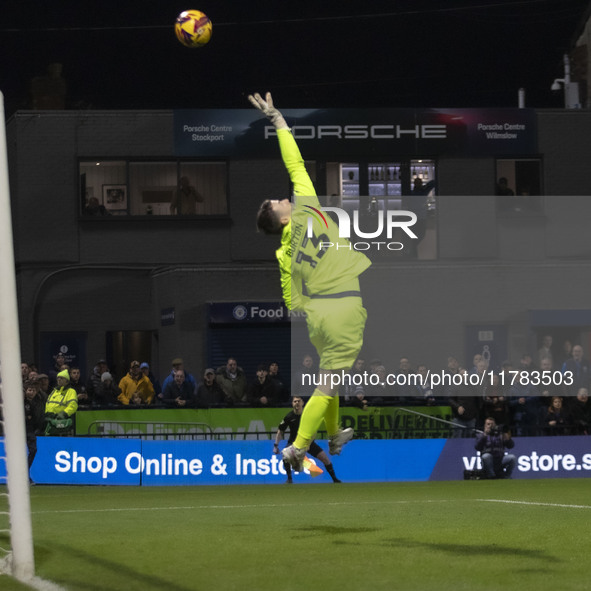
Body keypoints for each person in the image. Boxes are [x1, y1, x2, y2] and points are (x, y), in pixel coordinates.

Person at [248, 91, 371, 472]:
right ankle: (298, 448)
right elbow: (295, 162)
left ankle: (334, 434)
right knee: (327, 385)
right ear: (283, 218)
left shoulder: (283, 253)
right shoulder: (305, 207)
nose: (282, 199)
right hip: (344, 306)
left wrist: (314, 309)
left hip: (319, 318)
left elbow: (290, 299)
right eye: (277, 203)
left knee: (330, 376)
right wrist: (278, 121)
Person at [273, 396, 341, 484]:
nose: (297, 403)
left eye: (298, 401)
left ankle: (335, 479)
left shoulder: (308, 415)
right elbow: (280, 431)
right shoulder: (289, 417)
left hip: (309, 442)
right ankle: (289, 479)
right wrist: (276, 445)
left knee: (325, 459)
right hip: (294, 443)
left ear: (302, 403)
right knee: (285, 456)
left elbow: (314, 431)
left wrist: (308, 444)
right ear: (292, 404)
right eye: (295, 401)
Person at [402, 176, 435, 258]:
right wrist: (425, 186)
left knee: (416, 235)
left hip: (415, 218)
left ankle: (412, 251)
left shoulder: (413, 193)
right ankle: (413, 251)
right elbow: (433, 183)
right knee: (419, 235)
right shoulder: (422, 192)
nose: (419, 184)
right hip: (419, 217)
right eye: (418, 183)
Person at [24, 380, 45, 481]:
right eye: (29, 390)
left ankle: (24, 472)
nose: (31, 392)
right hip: (22, 431)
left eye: (33, 390)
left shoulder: (38, 402)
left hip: (31, 430)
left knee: (33, 450)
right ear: (25, 391)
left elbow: (37, 417)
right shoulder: (22, 402)